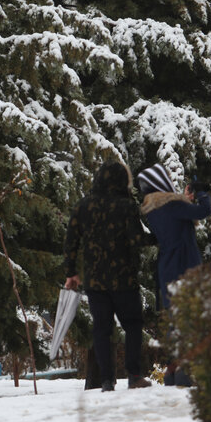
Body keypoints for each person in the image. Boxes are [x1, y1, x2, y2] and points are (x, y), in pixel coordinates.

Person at [64, 160, 152, 392]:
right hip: (124, 278)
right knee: (132, 325)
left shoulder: (83, 206)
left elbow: (71, 240)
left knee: (101, 329)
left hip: (94, 280)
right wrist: (159, 237)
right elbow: (137, 240)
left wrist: (71, 272)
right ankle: (134, 375)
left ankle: (106, 380)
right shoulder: (127, 206)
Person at [137, 163, 211, 386]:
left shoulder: (153, 209)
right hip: (185, 265)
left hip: (166, 267)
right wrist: (202, 193)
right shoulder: (172, 206)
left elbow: (179, 215)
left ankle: (172, 369)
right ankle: (184, 371)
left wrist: (184, 198)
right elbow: (203, 211)